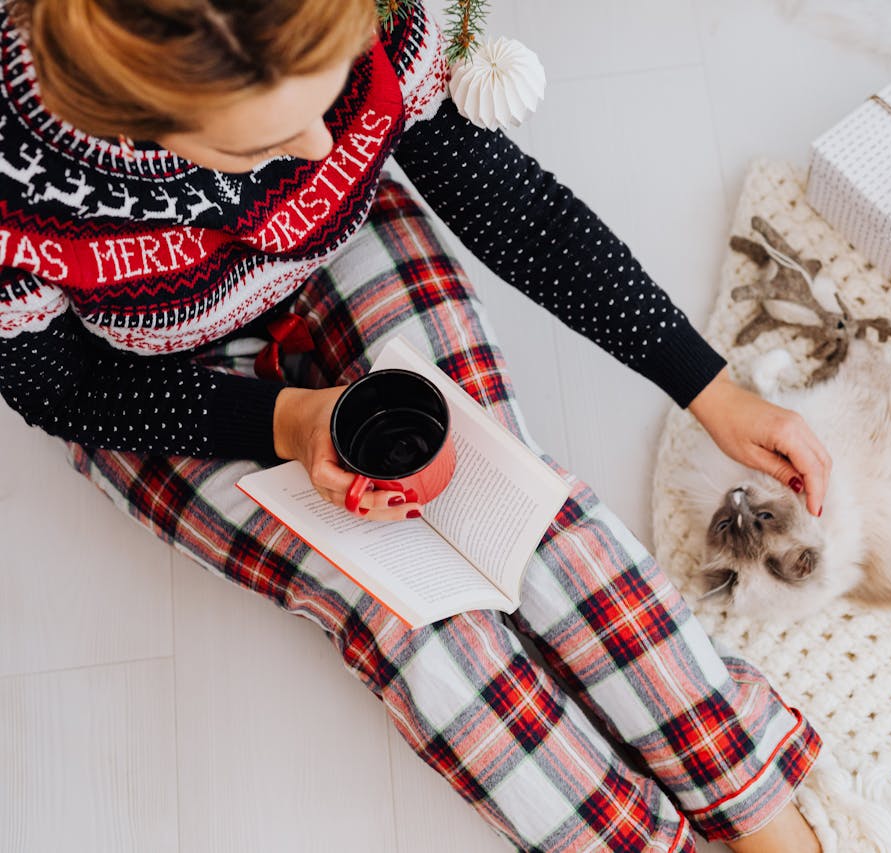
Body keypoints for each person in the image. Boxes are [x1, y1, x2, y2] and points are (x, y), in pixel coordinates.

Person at [0, 1, 833, 850]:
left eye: (324, 107)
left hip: (339, 245)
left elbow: (510, 204)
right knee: (414, 626)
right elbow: (49, 382)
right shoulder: (17, 179)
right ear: (131, 122)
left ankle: (761, 808)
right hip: (144, 384)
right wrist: (286, 423)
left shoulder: (368, 20)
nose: (319, 151)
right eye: (259, 144)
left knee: (526, 515)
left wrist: (708, 386)